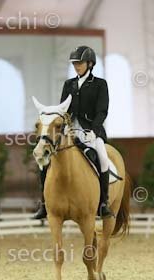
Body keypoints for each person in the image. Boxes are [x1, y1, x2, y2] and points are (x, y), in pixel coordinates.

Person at [32, 45, 113, 219]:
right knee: (45, 159)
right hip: (69, 131)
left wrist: (94, 130)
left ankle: (103, 203)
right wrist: (62, 126)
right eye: (75, 63)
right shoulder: (69, 84)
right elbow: (63, 109)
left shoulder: (100, 84)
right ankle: (44, 204)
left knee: (102, 157)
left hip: (91, 131)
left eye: (80, 63)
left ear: (90, 64)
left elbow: (102, 111)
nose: (77, 66)